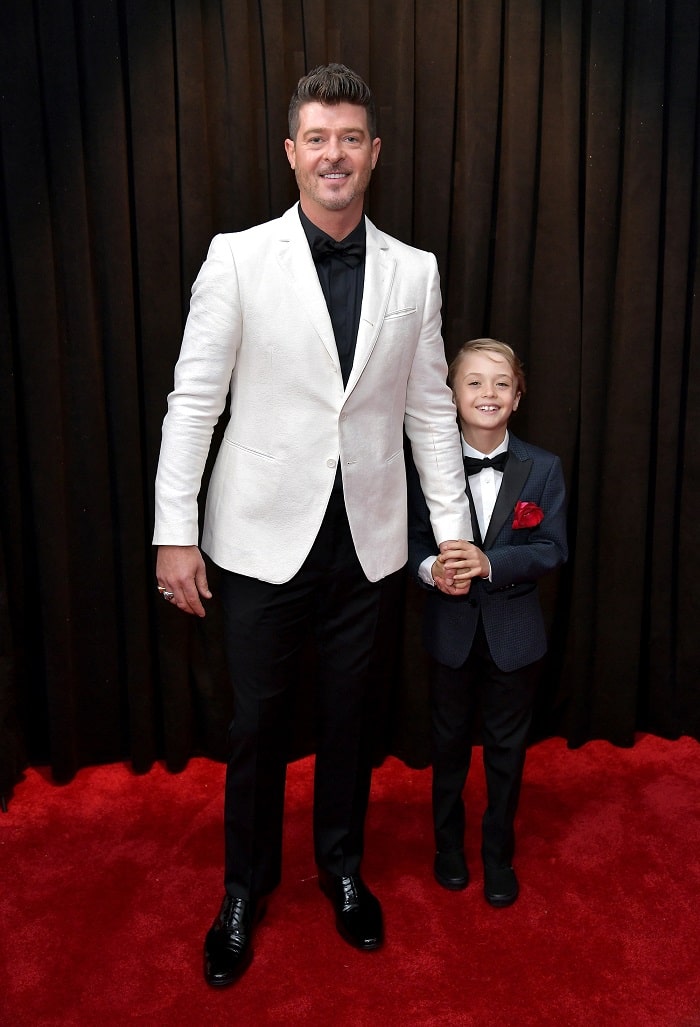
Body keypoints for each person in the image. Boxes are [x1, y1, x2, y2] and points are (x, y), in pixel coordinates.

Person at [153, 63, 473, 987]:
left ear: (374, 154)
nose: (335, 155)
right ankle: (244, 889)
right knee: (256, 724)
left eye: (351, 139)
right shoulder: (237, 256)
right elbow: (193, 402)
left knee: (349, 720)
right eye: (317, 138)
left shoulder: (416, 271)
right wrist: (176, 531)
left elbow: (429, 414)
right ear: (292, 151)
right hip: (255, 541)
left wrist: (452, 530)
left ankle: (341, 868)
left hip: (368, 542)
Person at [407, 338, 568, 908]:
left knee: (507, 749)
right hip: (449, 632)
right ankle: (447, 846)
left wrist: (491, 563)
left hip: (515, 637)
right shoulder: (423, 465)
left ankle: (498, 851)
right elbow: (409, 543)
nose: (488, 393)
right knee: (447, 744)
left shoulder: (542, 467)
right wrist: (432, 571)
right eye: (473, 382)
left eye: (501, 383)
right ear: (450, 396)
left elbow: (552, 548)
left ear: (518, 397)